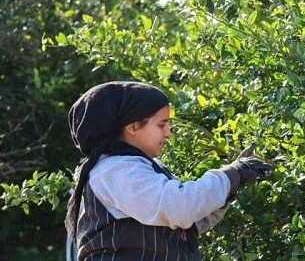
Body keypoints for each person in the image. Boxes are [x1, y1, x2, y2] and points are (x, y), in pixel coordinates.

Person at [64, 81, 273, 260]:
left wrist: (231, 185)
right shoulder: (115, 170)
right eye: (161, 124)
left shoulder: (140, 167)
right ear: (133, 126)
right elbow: (179, 207)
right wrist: (230, 176)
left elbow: (189, 222)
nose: (168, 133)